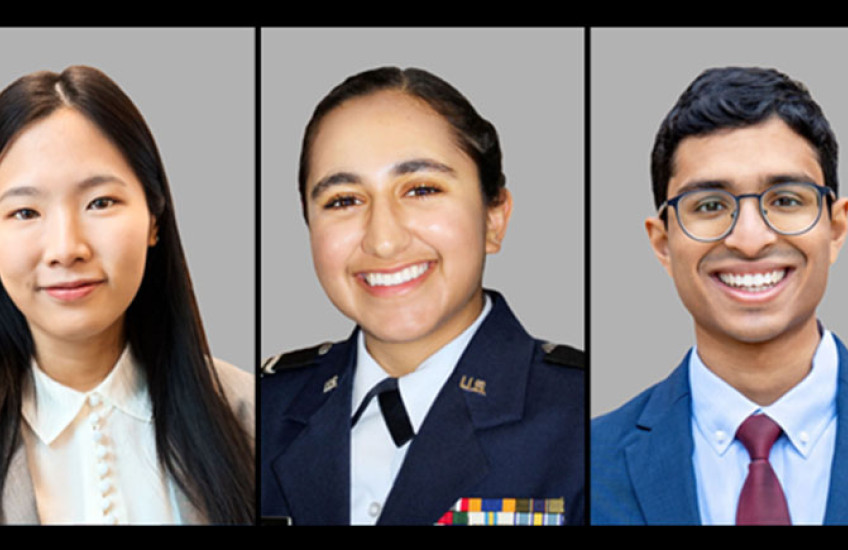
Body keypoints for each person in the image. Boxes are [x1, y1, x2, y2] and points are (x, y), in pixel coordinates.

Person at [260, 66, 584, 526]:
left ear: (494, 218)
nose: (383, 241)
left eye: (422, 189)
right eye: (343, 200)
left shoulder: (583, 416)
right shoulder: (257, 412)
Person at [591, 66, 848, 525]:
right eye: (710, 206)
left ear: (836, 228)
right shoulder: (586, 462)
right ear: (663, 243)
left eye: (786, 200)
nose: (750, 240)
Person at [0, 66, 254, 524]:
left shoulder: (251, 417)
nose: (66, 249)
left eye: (100, 202)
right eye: (24, 211)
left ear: (154, 218)